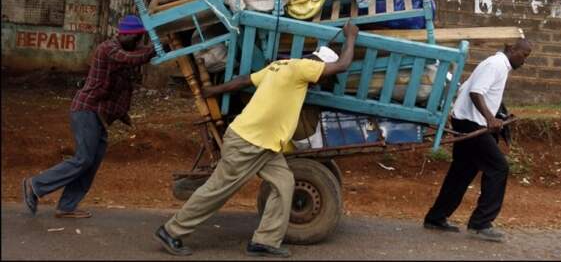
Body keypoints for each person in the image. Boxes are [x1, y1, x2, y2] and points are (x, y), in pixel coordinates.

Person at [153, 22, 359, 258]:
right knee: (216, 191)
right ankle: (171, 231)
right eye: (323, 79)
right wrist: (351, 36)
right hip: (247, 142)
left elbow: (243, 81)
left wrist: (215, 91)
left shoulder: (280, 66)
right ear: (320, 64)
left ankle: (264, 241)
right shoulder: (304, 67)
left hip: (266, 146)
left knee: (284, 183)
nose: (319, 84)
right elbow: (343, 64)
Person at [22, 15, 155, 219]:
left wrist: (122, 114)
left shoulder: (122, 49)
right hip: (86, 110)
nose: (139, 43)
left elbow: (122, 81)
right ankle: (35, 184)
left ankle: (66, 206)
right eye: (137, 39)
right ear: (126, 35)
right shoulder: (108, 49)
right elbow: (133, 58)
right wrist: (159, 46)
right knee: (83, 158)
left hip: (97, 115)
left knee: (91, 162)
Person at [423, 38, 532, 242]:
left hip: (466, 120)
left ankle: (436, 217)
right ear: (511, 48)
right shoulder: (496, 64)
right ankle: (480, 224)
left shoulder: (497, 65)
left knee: (462, 171)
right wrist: (489, 119)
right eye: (524, 55)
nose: (524, 61)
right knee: (498, 167)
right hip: (472, 124)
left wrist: (498, 116)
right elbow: (475, 92)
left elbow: (473, 90)